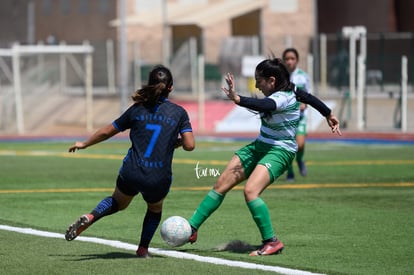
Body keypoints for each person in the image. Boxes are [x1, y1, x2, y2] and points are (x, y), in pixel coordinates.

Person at [187, 58, 341, 256]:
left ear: (272, 81)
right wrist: (328, 114)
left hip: (280, 151)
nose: (257, 85)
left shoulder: (282, 98)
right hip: (260, 145)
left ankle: (271, 241)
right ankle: (192, 228)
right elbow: (308, 97)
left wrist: (238, 99)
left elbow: (265, 105)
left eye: (259, 81)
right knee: (221, 184)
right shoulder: (291, 90)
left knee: (250, 191)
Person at [64, 65, 195, 258]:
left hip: (132, 170)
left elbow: (107, 131)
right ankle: (142, 249)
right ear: (171, 88)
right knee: (154, 208)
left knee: (118, 202)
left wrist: (84, 143)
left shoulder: (137, 109)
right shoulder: (179, 113)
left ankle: (92, 216)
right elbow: (190, 145)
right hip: (157, 176)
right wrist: (173, 143)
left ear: (149, 85)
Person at [283, 47, 311, 181]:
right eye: (287, 59)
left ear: (297, 60)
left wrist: (303, 104)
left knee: (300, 145)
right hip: (286, 118)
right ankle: (290, 172)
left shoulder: (303, 76)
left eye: (292, 58)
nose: (289, 61)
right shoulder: (281, 77)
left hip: (300, 118)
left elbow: (308, 95)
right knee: (288, 146)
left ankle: (300, 160)